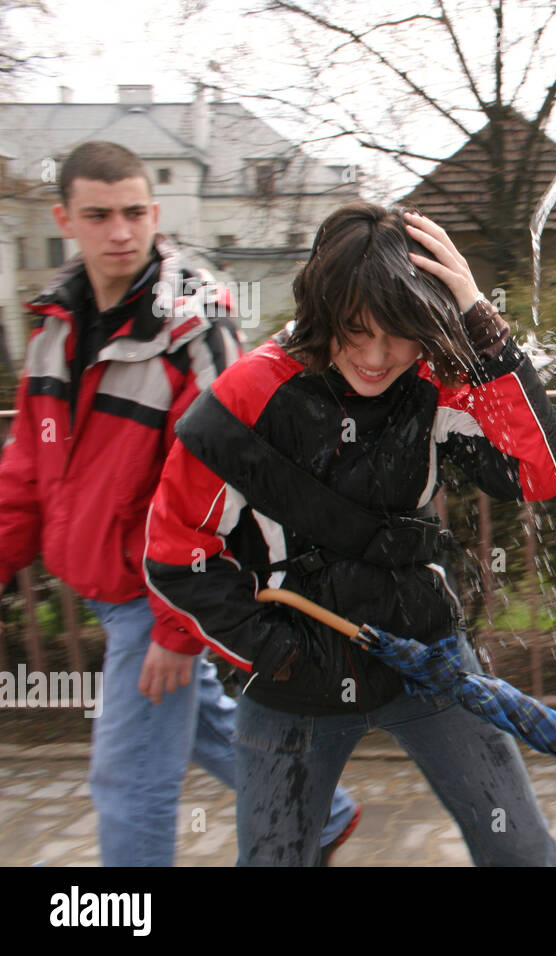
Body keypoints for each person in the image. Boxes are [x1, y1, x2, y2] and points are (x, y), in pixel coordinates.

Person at [144, 202, 556, 866]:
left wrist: (480, 318)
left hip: (426, 658)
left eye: (399, 333)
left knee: (521, 850)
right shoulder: (245, 396)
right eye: (355, 331)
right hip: (293, 684)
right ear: (322, 311)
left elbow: (538, 473)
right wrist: (275, 652)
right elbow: (175, 551)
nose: (377, 357)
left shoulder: (432, 376)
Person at [0, 140, 358, 866]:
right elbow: (27, 467)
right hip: (107, 585)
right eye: (99, 215)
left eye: (135, 212)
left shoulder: (191, 317)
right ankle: (322, 816)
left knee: (129, 779)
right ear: (64, 217)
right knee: (205, 726)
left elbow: (231, 473)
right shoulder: (54, 323)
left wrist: (175, 624)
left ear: (155, 212)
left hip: (156, 588)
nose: (121, 231)